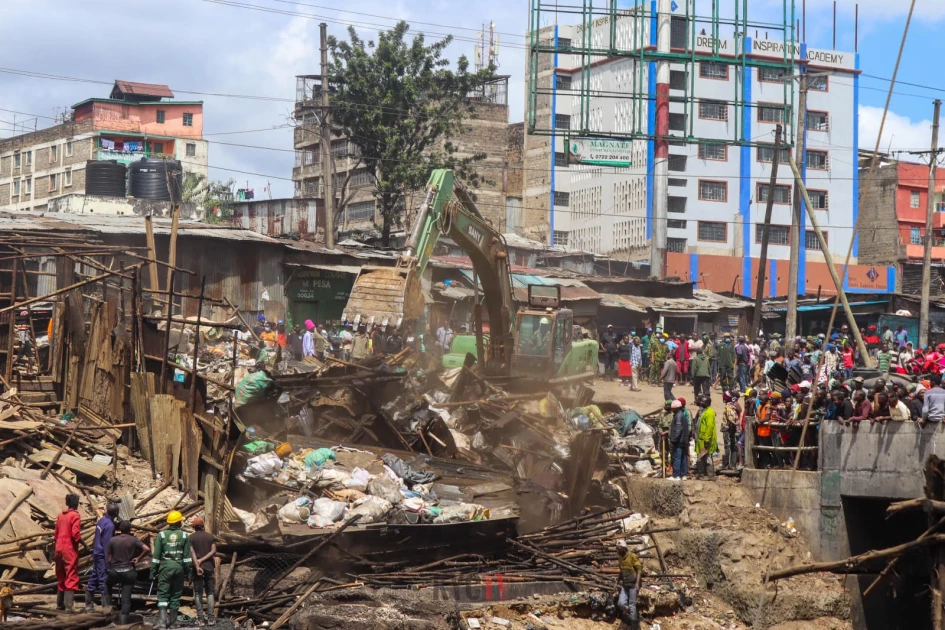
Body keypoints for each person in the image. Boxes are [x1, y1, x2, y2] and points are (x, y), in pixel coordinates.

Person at [150, 510, 193, 629]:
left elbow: (156, 557)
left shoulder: (161, 535)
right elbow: (187, 558)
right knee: (175, 596)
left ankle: (162, 623)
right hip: (179, 569)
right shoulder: (184, 535)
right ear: (179, 523)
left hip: (165, 569)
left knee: (163, 595)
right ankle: (173, 623)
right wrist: (190, 573)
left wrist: (153, 572)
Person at [106, 520, 150, 626]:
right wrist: (138, 558)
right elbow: (147, 548)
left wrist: (112, 564)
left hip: (115, 571)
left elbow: (109, 558)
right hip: (128, 571)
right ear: (129, 529)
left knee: (106, 586)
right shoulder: (133, 540)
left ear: (120, 529)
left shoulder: (112, 540)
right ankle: (123, 622)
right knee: (126, 598)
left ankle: (107, 613)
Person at [86, 501, 119, 611]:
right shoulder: (110, 526)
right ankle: (106, 607)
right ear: (116, 513)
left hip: (96, 552)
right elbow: (107, 545)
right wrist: (108, 562)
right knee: (103, 580)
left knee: (94, 577)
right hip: (102, 555)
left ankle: (88, 604)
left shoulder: (101, 521)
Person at [55, 493, 82, 612]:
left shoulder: (61, 515)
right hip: (69, 549)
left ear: (67, 503)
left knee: (61, 575)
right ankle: (69, 607)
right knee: (71, 575)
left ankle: (59, 605)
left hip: (58, 548)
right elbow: (75, 534)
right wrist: (84, 544)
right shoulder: (75, 516)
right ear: (77, 504)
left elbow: (55, 534)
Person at [190, 517, 217, 627]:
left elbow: (192, 552)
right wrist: (204, 559)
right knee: (210, 592)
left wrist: (198, 564)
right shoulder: (210, 537)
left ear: (193, 527)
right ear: (203, 525)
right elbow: (214, 551)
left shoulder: (190, 538)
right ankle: (211, 618)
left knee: (198, 593)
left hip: (197, 568)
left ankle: (200, 619)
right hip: (209, 567)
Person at [615, 540, 642, 628]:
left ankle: (634, 625)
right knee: (621, 603)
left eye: (619, 549)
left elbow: (639, 570)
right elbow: (621, 571)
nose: (617, 550)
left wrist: (637, 583)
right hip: (625, 584)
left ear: (624, 548)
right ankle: (631, 614)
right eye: (616, 548)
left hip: (633, 584)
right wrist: (616, 582)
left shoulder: (633, 556)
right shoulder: (620, 557)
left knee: (632, 604)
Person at [693, 395, 718, 480]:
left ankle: (710, 475)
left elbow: (709, 427)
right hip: (701, 438)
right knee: (701, 456)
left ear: (708, 403)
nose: (701, 402)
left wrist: (706, 439)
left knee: (707, 457)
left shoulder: (709, 413)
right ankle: (702, 474)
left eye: (703, 401)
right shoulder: (703, 411)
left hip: (705, 439)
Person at [669, 399, 690, 479]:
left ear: (675, 408)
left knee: (677, 457)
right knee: (683, 457)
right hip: (684, 440)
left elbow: (678, 429)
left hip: (679, 441)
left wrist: (673, 440)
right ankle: (683, 474)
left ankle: (676, 475)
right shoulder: (682, 415)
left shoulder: (678, 416)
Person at [721, 391, 741, 470]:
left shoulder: (728, 407)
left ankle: (726, 465)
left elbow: (731, 419)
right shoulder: (733, 406)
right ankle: (732, 465)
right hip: (732, 429)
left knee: (727, 447)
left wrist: (733, 428)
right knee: (733, 447)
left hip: (728, 429)